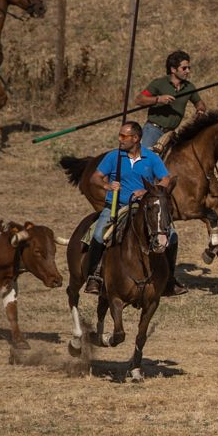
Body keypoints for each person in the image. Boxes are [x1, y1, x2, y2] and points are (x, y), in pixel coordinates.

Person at [82, 120, 176, 295]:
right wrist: (107, 186)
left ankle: (170, 279)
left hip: (144, 207)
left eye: (123, 136)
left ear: (136, 138)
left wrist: (149, 190)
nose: (120, 139)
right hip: (117, 205)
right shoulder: (113, 157)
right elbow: (95, 178)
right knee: (98, 234)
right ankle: (94, 276)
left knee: (173, 235)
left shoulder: (151, 158)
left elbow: (166, 179)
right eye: (120, 135)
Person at [134, 51, 207, 155]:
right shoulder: (159, 83)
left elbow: (200, 103)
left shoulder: (189, 87)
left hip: (171, 134)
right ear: (173, 69)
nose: (188, 71)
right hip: (153, 131)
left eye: (189, 68)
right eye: (184, 68)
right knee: (145, 162)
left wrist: (200, 110)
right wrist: (158, 99)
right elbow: (139, 99)